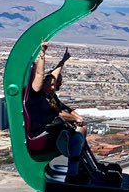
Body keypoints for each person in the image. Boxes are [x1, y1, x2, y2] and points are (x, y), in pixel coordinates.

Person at [28, 41, 87, 182]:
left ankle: (76, 165)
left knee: (79, 134)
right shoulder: (37, 93)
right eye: (51, 83)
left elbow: (53, 74)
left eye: (55, 84)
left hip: (50, 128)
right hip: (42, 131)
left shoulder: (50, 95)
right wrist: (42, 53)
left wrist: (63, 61)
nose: (54, 86)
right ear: (44, 83)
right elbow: (40, 74)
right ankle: (73, 171)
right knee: (77, 136)